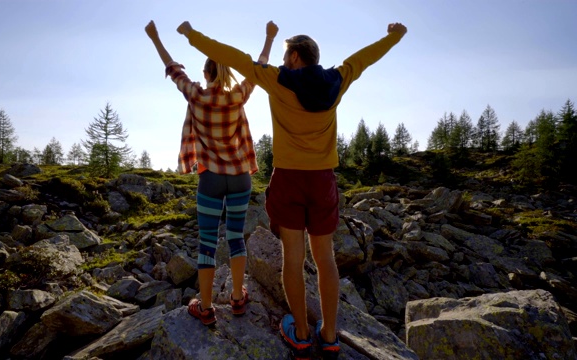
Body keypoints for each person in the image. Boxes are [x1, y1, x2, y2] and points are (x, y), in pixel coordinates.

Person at [176, 20, 407, 359]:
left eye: (286, 56)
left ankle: (300, 333)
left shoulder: (278, 79)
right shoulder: (338, 79)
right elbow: (365, 57)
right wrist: (394, 36)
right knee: (326, 259)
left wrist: (192, 36)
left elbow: (230, 56)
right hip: (322, 180)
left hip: (288, 179)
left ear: (296, 56)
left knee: (293, 260)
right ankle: (329, 335)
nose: (283, 62)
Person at [145, 20, 279, 327]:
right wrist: (269, 36)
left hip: (211, 178)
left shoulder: (196, 95)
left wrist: (155, 36)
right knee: (235, 238)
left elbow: (171, 67)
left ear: (205, 74)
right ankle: (236, 297)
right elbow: (258, 67)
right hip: (241, 176)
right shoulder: (237, 96)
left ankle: (205, 307)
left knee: (207, 241)